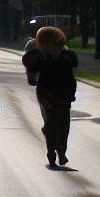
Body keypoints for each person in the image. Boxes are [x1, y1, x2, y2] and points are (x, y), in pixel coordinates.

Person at [22, 26, 78, 166]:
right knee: (53, 122)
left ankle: (60, 152)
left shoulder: (66, 55)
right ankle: (53, 151)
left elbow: (72, 71)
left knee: (62, 124)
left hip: (62, 94)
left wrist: (71, 94)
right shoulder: (41, 55)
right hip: (47, 94)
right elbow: (28, 63)